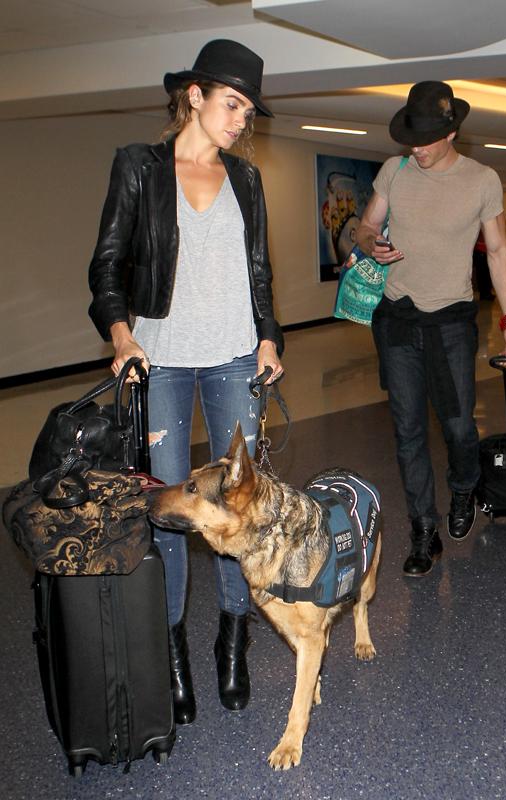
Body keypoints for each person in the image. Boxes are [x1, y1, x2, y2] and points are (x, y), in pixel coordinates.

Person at [88, 39, 284, 723]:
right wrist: (121, 334)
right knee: (172, 512)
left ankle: (233, 639)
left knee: (236, 509)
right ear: (194, 95)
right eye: (231, 104)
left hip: (234, 356)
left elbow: (259, 269)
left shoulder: (247, 179)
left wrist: (268, 336)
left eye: (248, 110)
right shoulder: (139, 168)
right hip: (162, 360)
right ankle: (172, 655)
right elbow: (107, 264)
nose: (240, 120)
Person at [357, 81, 506, 577]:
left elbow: (496, 252)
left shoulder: (482, 179)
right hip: (398, 319)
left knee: (457, 427)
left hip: (451, 321)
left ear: (452, 132)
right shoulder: (394, 171)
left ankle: (465, 485)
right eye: (412, 136)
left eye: (428, 137)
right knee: (407, 430)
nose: (418, 148)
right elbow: (365, 226)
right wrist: (371, 244)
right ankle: (423, 530)